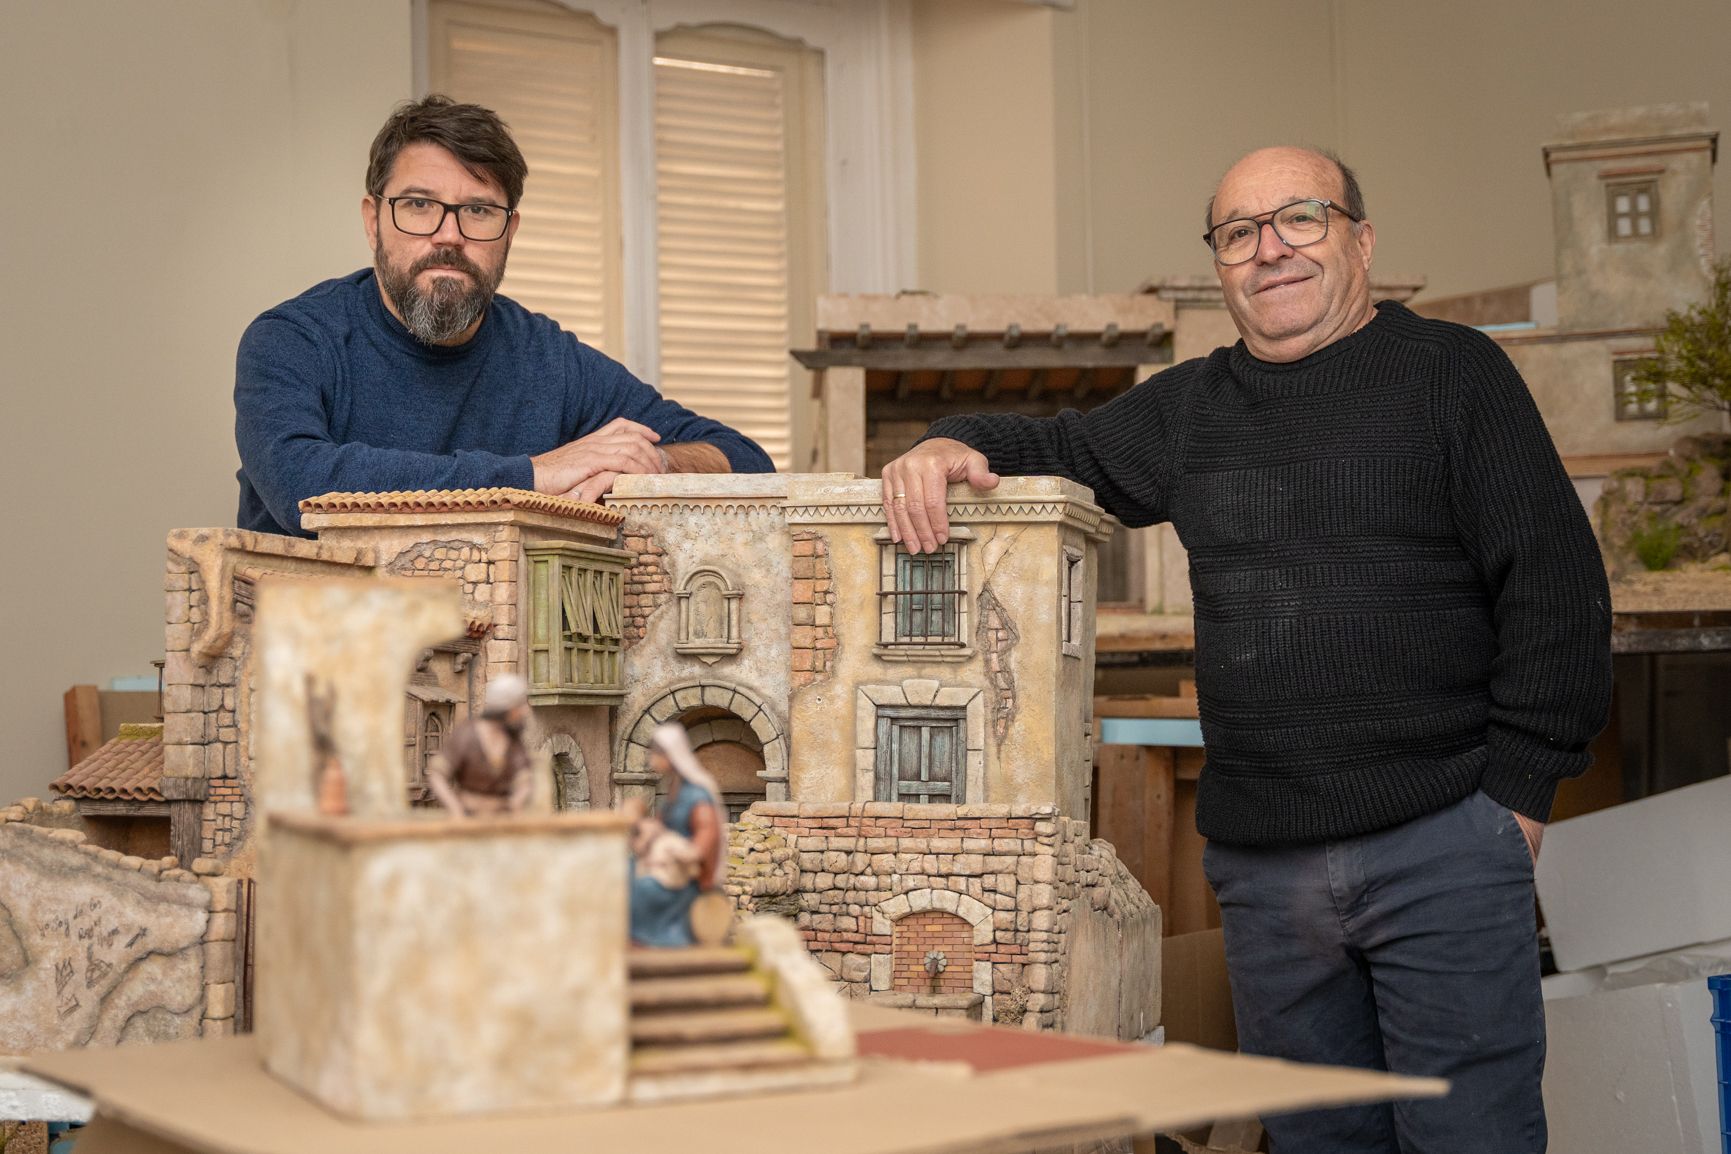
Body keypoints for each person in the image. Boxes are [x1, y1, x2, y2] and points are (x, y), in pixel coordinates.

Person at [879, 147, 1612, 1153]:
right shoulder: (1190, 410)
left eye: (1300, 218)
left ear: (1361, 239)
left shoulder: (1455, 374)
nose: (1270, 250)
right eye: (1239, 232)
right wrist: (940, 441)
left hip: (1443, 841)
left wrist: (1514, 808)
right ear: (1222, 266)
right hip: (1269, 879)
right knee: (1318, 1141)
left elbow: (1559, 593)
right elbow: (1053, 450)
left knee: (1472, 1137)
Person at [234, 95, 772, 538]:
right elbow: (301, 487)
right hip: (313, 656)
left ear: (509, 232)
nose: (449, 235)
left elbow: (744, 460)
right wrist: (536, 474)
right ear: (374, 220)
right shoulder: (293, 340)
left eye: (478, 210)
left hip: (500, 657)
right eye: (419, 205)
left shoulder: (550, 359)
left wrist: (651, 465)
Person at [626, 723, 726, 948]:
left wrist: (675, 853)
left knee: (643, 889)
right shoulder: (674, 792)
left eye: (656, 754)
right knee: (626, 869)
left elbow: (704, 842)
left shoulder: (697, 795)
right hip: (665, 864)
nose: (652, 760)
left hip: (685, 877)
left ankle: (659, 939)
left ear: (669, 756)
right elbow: (660, 828)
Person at [426, 674, 535, 817]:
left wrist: (518, 801)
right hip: (469, 820)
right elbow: (437, 774)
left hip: (502, 821)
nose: (525, 710)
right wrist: (455, 809)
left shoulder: (512, 739)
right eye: (520, 705)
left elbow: (524, 776)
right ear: (506, 708)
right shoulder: (466, 735)